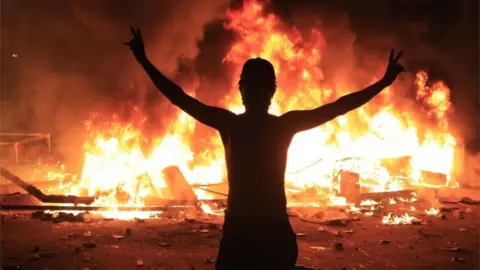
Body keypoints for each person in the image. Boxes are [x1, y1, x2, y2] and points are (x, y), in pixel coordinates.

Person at [125, 27, 404, 270]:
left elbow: (179, 98)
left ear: (241, 90)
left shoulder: (231, 125)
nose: (255, 92)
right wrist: (383, 82)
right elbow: (339, 107)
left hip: (244, 234)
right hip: (270, 233)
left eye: (253, 86)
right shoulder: (282, 126)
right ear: (272, 92)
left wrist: (143, 60)